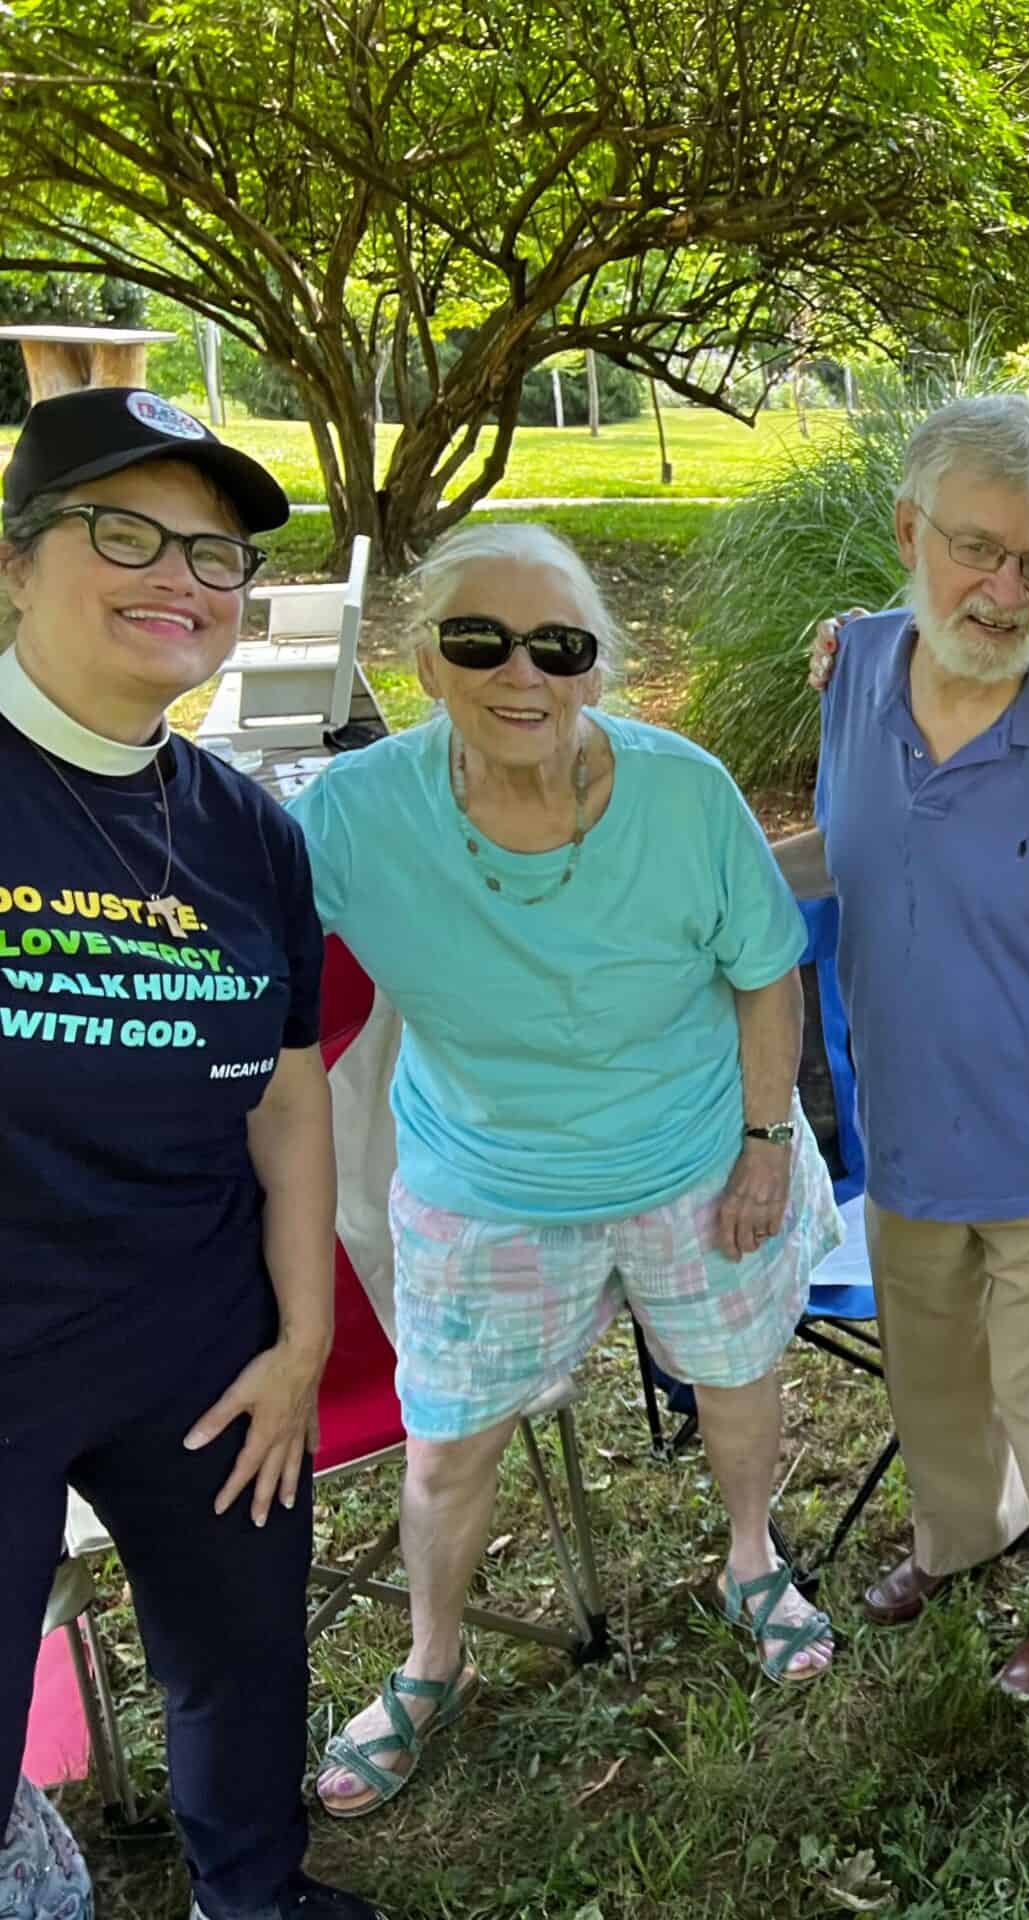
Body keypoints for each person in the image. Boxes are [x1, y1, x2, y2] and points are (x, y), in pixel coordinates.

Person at [289, 521, 844, 1818]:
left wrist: (766, 1147)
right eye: (480, 641)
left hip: (695, 1151)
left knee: (737, 1381)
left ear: (600, 667)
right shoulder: (354, 815)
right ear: (426, 660)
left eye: (560, 645)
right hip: (484, 1181)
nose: (520, 673)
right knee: (446, 1448)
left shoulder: (684, 791)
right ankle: (432, 1659)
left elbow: (768, 972)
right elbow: (235, 950)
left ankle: (750, 1559)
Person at [0, 388, 380, 1919]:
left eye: (216, 556)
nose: (180, 578)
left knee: (242, 1651)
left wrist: (301, 1339)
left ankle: (256, 1891)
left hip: (199, 1335)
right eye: (126, 533)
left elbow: (287, 1101)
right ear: (20, 562)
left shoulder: (247, 831)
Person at [788, 394, 1029, 1703]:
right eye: (976, 548)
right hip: (906, 1133)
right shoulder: (853, 676)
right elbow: (843, 861)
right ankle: (963, 1537)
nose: (1008, 590)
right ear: (911, 532)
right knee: (937, 1386)